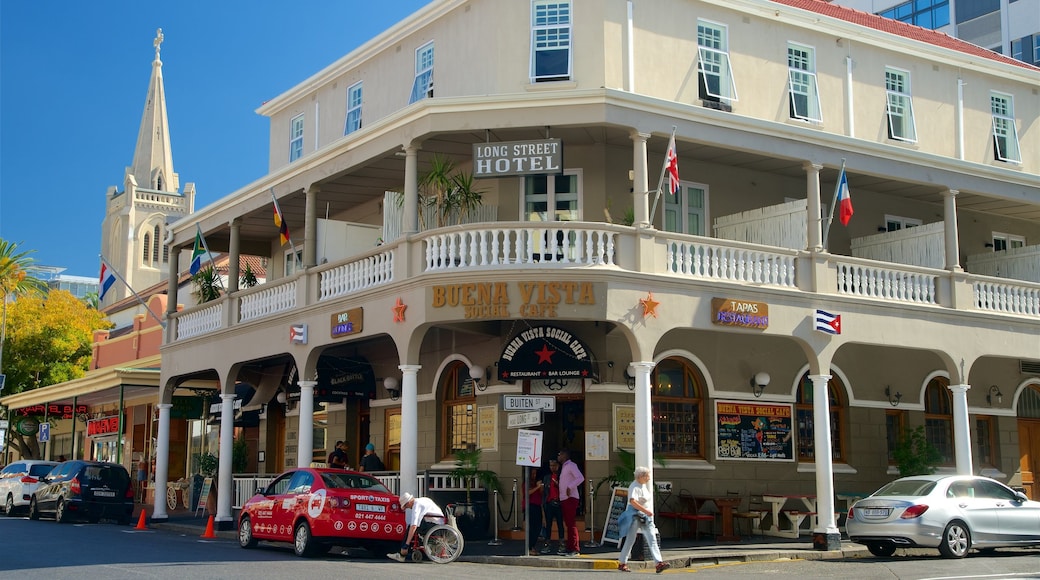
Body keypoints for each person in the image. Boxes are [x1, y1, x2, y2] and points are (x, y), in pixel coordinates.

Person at [616, 466, 670, 573]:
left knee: (652, 539)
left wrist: (646, 512)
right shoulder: (634, 486)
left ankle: (658, 563)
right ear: (641, 476)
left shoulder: (642, 485)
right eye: (647, 476)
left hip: (644, 516)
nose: (649, 478)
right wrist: (646, 511)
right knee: (631, 540)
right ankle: (622, 562)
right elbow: (632, 501)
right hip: (635, 516)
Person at [388, 491, 445, 562]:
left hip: (434, 526)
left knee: (410, 528)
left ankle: (402, 553)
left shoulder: (416, 505)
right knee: (414, 527)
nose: (408, 508)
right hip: (438, 523)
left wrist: (407, 544)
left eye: (406, 506)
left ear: (408, 503)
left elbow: (414, 525)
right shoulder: (423, 499)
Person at [557, 449, 584, 557]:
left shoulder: (571, 465)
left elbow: (580, 478)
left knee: (571, 523)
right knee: (568, 523)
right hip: (564, 498)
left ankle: (575, 548)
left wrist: (570, 486)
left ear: (565, 455)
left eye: (560, 454)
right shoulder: (564, 467)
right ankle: (569, 547)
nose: (558, 456)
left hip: (570, 498)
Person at [539, 459, 565, 554]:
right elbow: (544, 492)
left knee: (560, 524)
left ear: (558, 466)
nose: (552, 467)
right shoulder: (547, 477)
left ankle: (561, 543)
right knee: (548, 525)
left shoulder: (561, 477)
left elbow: (565, 490)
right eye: (551, 465)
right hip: (549, 503)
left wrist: (558, 485)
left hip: (559, 503)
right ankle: (547, 543)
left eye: (554, 465)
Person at [523, 467, 544, 556]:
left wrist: (540, 487)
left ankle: (532, 546)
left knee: (538, 527)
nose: (534, 475)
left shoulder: (536, 482)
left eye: (535, 474)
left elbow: (541, 493)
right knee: (531, 528)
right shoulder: (526, 483)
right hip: (530, 506)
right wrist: (537, 487)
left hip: (537, 506)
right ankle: (529, 547)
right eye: (532, 474)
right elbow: (527, 493)